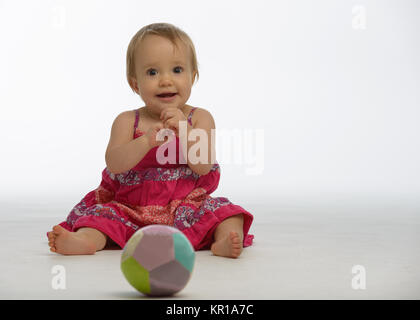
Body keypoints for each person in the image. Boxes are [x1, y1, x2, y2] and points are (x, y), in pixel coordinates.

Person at [47, 22, 254, 258]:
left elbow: (203, 165)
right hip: (131, 207)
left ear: (193, 76)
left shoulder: (199, 118)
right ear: (135, 84)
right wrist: (144, 142)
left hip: (185, 207)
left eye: (177, 70)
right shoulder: (127, 121)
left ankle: (224, 241)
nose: (165, 80)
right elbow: (114, 162)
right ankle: (85, 241)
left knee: (228, 213)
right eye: (152, 72)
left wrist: (185, 130)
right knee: (101, 218)